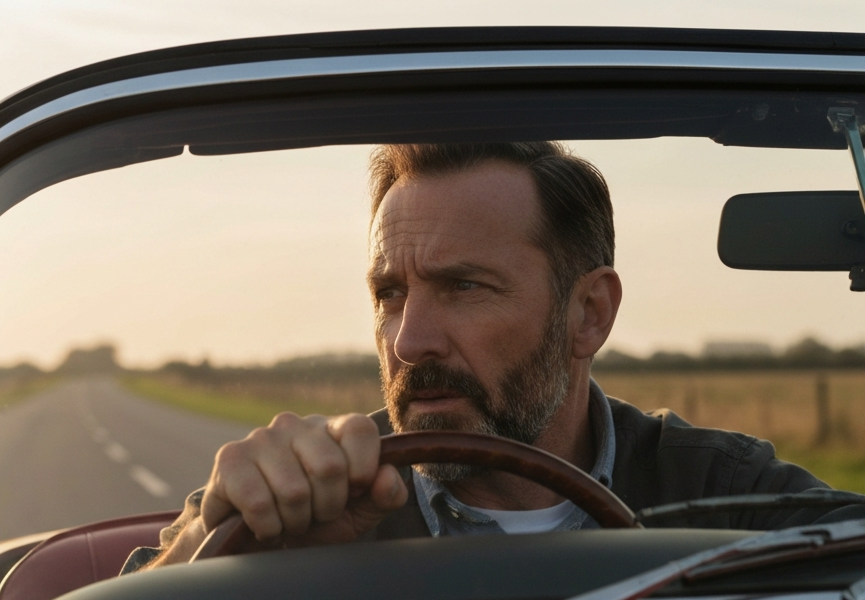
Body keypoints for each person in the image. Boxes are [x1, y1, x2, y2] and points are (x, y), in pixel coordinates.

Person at [123, 141, 842, 574]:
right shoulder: (314, 495)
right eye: (390, 293)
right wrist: (218, 550)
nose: (409, 341)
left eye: (463, 286)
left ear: (588, 314)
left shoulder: (724, 493)